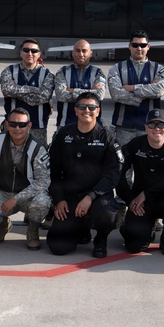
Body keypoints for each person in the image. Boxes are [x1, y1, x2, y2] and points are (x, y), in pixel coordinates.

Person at [47, 92, 122, 258]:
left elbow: (113, 173)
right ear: (75, 110)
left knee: (107, 213)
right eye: (82, 106)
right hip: (70, 196)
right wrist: (59, 200)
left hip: (97, 195)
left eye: (91, 107)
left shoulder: (107, 137)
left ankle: (100, 240)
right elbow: (53, 171)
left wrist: (91, 195)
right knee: (58, 247)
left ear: (98, 111)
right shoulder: (63, 135)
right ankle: (80, 228)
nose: (86, 110)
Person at [117, 109, 164, 256]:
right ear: (145, 127)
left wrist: (147, 193)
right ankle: (130, 229)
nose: (157, 129)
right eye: (152, 125)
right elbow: (118, 174)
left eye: (161, 125)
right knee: (135, 246)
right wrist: (130, 200)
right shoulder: (135, 145)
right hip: (140, 204)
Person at [0, 108, 52, 251]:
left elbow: (43, 181)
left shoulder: (38, 148)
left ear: (29, 126)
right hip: (2, 193)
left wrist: (16, 199)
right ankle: (2, 225)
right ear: (7, 125)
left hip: (28, 196)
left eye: (22, 125)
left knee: (43, 203)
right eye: (13, 124)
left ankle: (33, 228)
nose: (17, 128)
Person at [107, 30, 164, 148]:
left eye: (143, 45)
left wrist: (131, 88)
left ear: (148, 46)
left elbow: (159, 90)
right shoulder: (116, 69)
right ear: (129, 46)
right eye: (135, 45)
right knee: (124, 163)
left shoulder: (158, 69)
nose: (139, 48)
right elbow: (116, 94)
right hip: (124, 127)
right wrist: (145, 94)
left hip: (150, 127)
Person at [0, 38, 55, 143]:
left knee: (37, 158)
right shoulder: (9, 71)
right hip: (13, 127)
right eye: (26, 50)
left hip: (37, 127)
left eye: (34, 51)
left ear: (39, 54)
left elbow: (43, 97)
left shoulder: (48, 74)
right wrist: (35, 90)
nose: (30, 53)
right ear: (21, 52)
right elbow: (6, 90)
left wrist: (16, 89)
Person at [53, 40, 106, 128]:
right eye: (77, 51)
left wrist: (72, 90)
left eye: (84, 51)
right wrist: (91, 92)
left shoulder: (98, 73)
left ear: (90, 53)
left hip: (92, 126)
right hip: (66, 125)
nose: (81, 54)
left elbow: (100, 95)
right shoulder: (63, 72)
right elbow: (60, 95)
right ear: (73, 53)